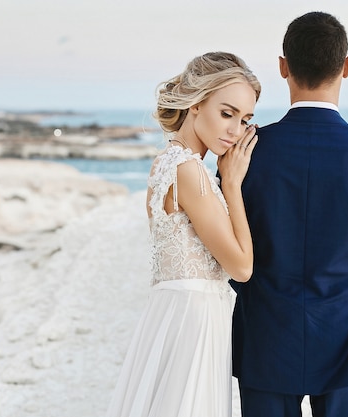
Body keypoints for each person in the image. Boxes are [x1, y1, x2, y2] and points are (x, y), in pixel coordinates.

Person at [231, 12, 348, 417]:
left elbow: (228, 246)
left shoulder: (244, 151)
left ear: (283, 66)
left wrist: (263, 294)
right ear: (346, 66)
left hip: (266, 332)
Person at [106, 51, 261, 417]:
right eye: (227, 113)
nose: (235, 131)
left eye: (245, 120)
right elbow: (241, 268)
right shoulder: (189, 169)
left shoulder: (166, 161)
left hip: (174, 312)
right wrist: (233, 183)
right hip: (194, 319)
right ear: (195, 104)